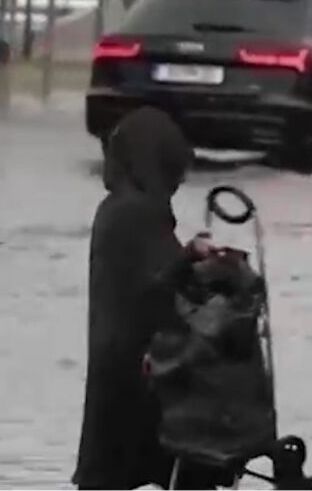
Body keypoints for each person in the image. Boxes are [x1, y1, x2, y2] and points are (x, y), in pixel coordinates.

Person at [73, 107, 229, 490]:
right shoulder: (137, 213)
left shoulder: (116, 208)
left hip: (116, 361)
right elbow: (155, 282)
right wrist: (192, 258)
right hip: (141, 368)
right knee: (183, 458)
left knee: (113, 470)